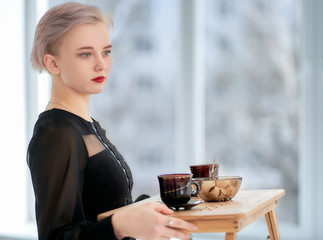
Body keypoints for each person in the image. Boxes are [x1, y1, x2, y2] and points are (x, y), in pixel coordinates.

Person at [27, 2, 197, 240]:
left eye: (106, 51)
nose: (101, 64)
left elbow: (100, 209)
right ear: (52, 63)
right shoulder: (58, 132)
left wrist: (147, 209)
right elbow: (56, 237)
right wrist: (120, 225)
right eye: (86, 54)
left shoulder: (84, 126)